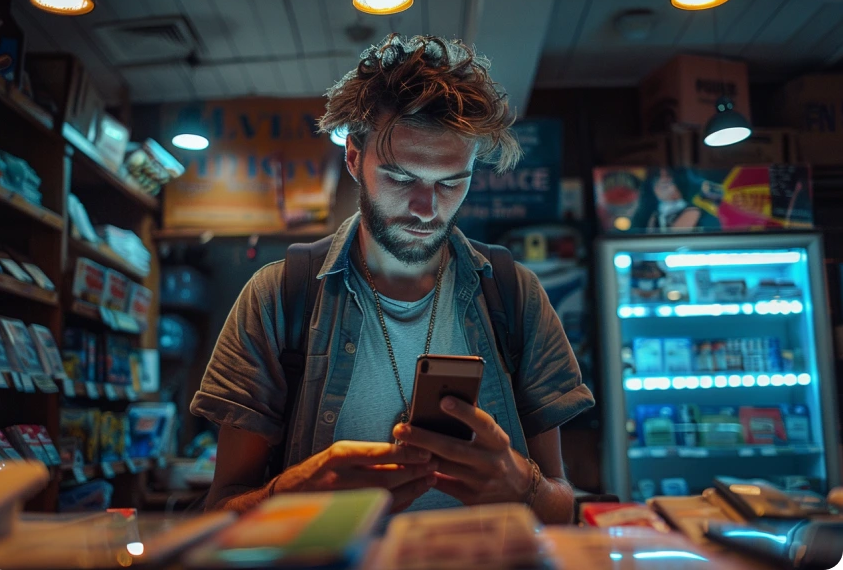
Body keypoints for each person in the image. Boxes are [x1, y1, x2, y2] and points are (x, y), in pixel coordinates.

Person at [190, 34, 595, 523]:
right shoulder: (278, 297)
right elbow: (218, 513)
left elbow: (563, 507)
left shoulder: (513, 293)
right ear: (354, 158)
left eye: (451, 182)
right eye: (401, 178)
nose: (426, 209)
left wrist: (524, 487)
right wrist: (291, 495)